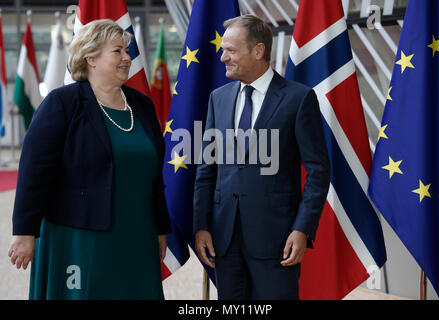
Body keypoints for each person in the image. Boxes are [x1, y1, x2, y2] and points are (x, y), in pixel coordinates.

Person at [8, 19, 171, 300]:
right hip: (79, 236)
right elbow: (34, 171)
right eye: (117, 51)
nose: (126, 58)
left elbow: (155, 176)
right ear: (91, 57)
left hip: (138, 233)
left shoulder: (142, 105)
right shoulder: (62, 103)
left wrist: (160, 228)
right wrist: (24, 232)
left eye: (126, 51)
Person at [194, 15, 331, 300]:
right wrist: (202, 225)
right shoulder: (217, 98)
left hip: (277, 240)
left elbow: (318, 172)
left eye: (230, 50)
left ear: (258, 51)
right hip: (224, 239)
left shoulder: (298, 98)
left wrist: (302, 229)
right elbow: (207, 169)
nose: (222, 57)